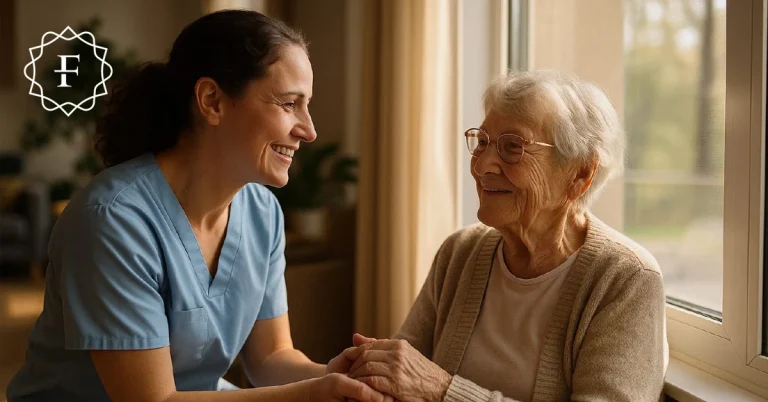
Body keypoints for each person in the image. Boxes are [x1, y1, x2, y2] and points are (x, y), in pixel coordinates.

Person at [6, 10, 387, 402]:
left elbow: (271, 356)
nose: (308, 130)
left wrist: (337, 378)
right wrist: (311, 395)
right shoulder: (113, 220)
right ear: (212, 101)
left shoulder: (263, 212)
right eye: (290, 104)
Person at [339, 70, 668, 402]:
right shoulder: (460, 252)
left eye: (512, 147)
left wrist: (443, 391)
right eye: (482, 142)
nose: (482, 166)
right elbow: (401, 375)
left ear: (580, 173)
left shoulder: (626, 280)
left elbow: (424, 383)